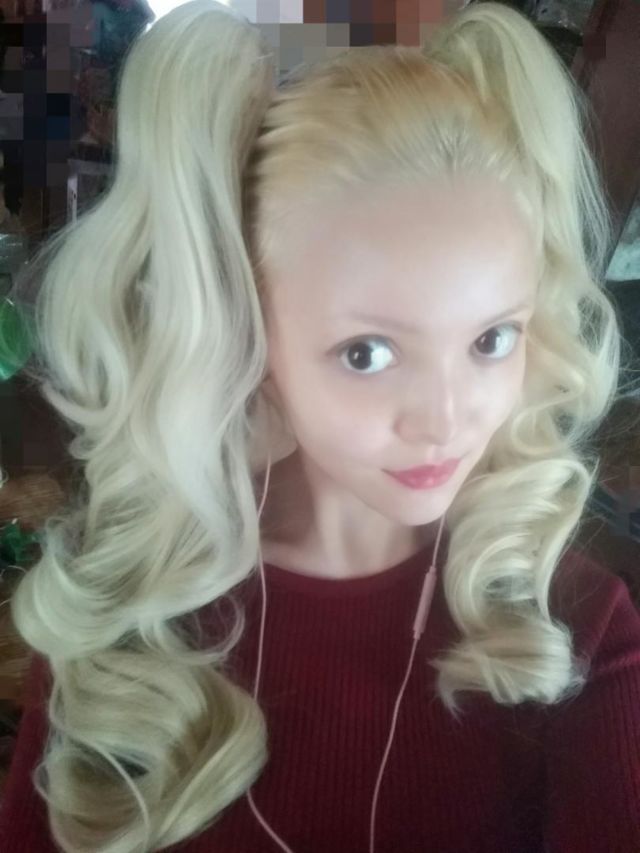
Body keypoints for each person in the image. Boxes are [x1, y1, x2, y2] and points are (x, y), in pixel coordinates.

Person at [1, 1, 639, 851]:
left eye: (492, 339)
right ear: (248, 336)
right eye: (367, 353)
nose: (447, 420)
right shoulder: (126, 616)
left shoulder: (576, 631)